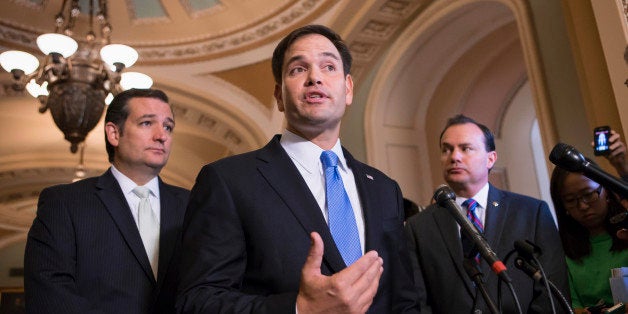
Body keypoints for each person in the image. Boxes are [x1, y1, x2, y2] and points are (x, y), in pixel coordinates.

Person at [176, 24, 419, 313]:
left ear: (348, 88)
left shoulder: (384, 188)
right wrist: (299, 308)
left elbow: (405, 300)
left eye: (329, 66)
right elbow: (197, 301)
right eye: (298, 69)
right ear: (279, 96)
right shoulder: (228, 181)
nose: (315, 77)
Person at [24, 88, 190, 313]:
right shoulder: (63, 203)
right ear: (114, 133)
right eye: (147, 123)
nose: (161, 135)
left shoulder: (193, 205)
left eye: (168, 127)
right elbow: (50, 295)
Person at [405, 114, 570, 313]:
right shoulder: (419, 227)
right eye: (446, 149)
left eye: (465, 148)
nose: (454, 157)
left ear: (490, 158)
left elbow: (552, 290)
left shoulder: (531, 213)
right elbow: (418, 301)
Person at [550, 157, 628, 312]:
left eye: (588, 194)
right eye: (571, 200)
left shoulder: (626, 234)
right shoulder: (560, 250)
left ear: (605, 190)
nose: (583, 206)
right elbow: (570, 305)